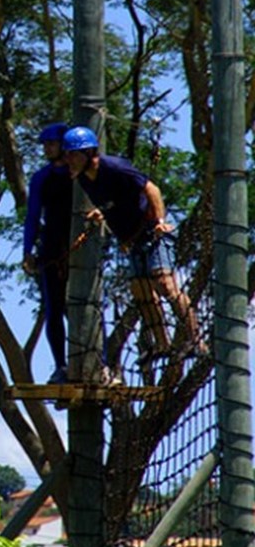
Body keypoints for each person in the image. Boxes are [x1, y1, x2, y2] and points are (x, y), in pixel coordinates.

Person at [61, 126, 202, 362]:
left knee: (165, 284)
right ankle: (163, 345)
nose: (69, 160)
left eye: (73, 154)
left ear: (89, 153)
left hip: (152, 232)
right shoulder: (84, 180)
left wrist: (159, 221)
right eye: (67, 155)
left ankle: (196, 339)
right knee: (141, 291)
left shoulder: (114, 167)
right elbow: (116, 201)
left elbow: (151, 189)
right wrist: (102, 213)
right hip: (133, 241)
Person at [22, 123, 72, 384]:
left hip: (79, 247)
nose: (47, 149)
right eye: (45, 145)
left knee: (85, 307)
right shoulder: (42, 177)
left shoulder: (80, 174)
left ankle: (101, 360)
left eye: (51, 144)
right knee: (54, 308)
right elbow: (32, 216)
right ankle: (61, 365)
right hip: (51, 249)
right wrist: (28, 250)